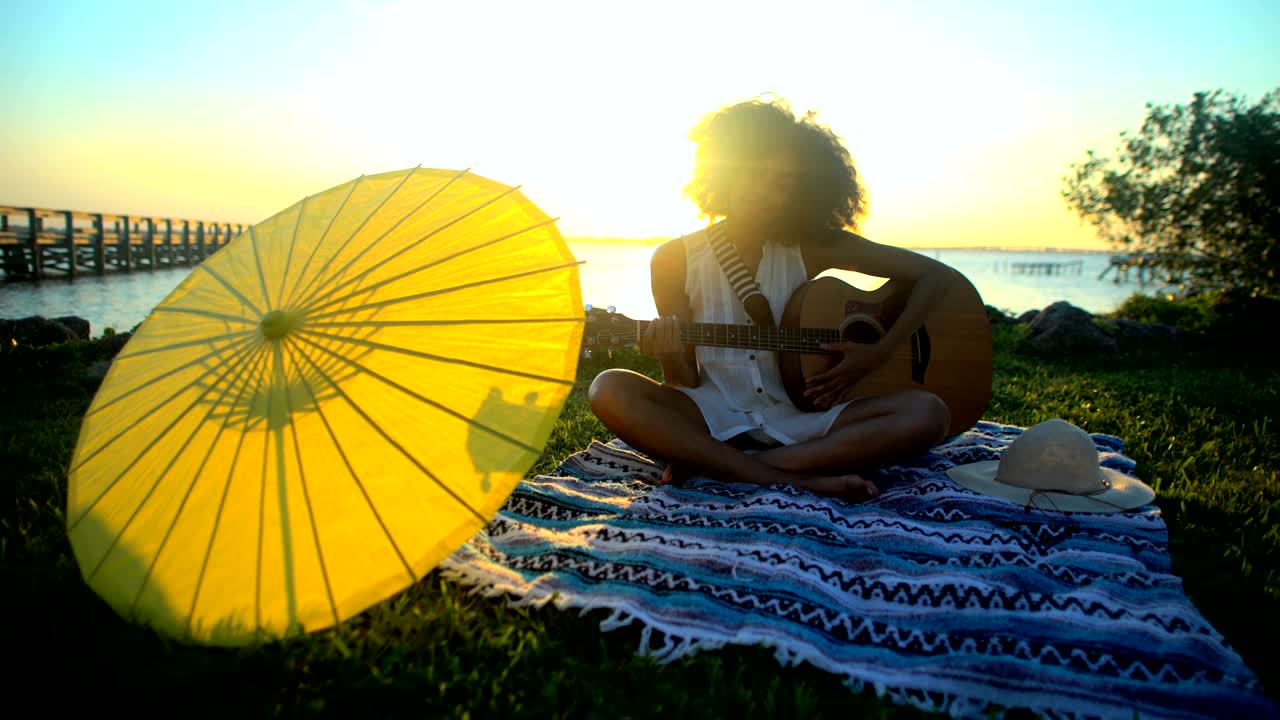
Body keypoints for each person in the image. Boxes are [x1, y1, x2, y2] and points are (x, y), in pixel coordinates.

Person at [588, 97, 955, 502]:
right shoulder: (673, 259)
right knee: (608, 388)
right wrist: (667, 351)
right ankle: (796, 474)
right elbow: (684, 380)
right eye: (754, 173)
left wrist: (879, 351)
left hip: (806, 416)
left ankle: (728, 467)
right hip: (714, 411)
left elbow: (936, 277)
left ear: (803, 193)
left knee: (929, 413)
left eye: (781, 182)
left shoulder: (814, 248)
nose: (763, 191)